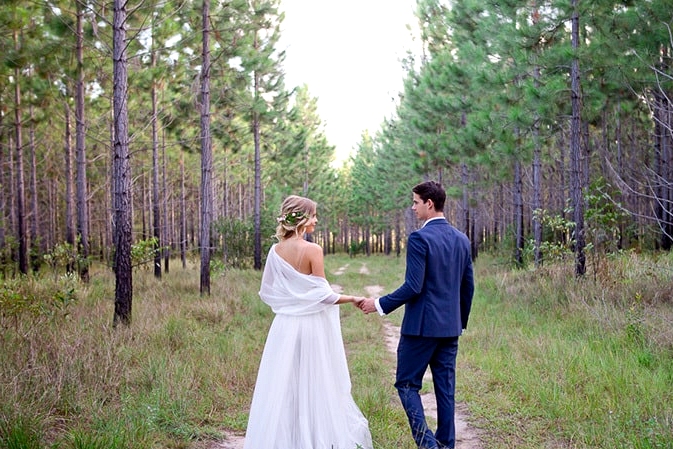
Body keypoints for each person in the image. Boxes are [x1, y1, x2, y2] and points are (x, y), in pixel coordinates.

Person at [243, 195, 373, 449]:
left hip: (284, 327)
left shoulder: (275, 251)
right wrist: (353, 298)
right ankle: (312, 439)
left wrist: (291, 304)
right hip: (310, 327)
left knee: (285, 384)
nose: (316, 220)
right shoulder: (313, 250)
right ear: (301, 218)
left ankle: (286, 439)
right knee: (314, 383)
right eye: (313, 215)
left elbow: (267, 292)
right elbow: (323, 296)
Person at [359, 181, 474, 449]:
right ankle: (446, 444)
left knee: (407, 385)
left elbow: (413, 286)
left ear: (429, 204)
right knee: (446, 389)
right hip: (450, 328)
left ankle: (427, 445)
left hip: (420, 329)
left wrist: (378, 303)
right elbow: (468, 286)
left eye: (415, 202)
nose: (413, 208)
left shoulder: (420, 238)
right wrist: (460, 322)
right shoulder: (461, 239)